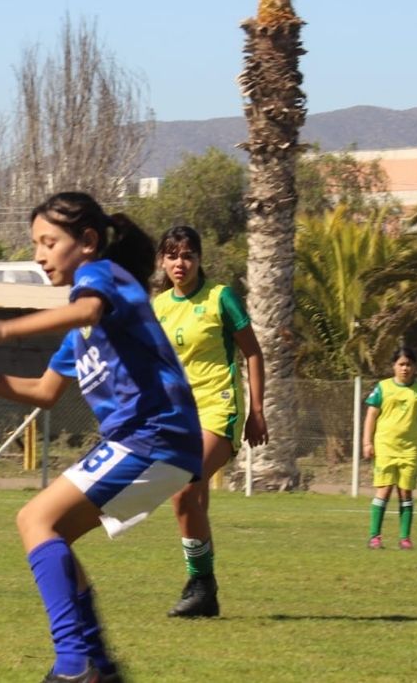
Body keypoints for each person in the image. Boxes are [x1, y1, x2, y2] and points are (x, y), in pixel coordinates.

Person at [0, 192, 201, 683]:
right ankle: (100, 668)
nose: (39, 254)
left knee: (34, 518)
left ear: (88, 242)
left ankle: (75, 664)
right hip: (145, 441)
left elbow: (88, 310)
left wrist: (3, 331)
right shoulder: (81, 332)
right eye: (35, 244)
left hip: (153, 435)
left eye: (49, 242)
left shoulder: (103, 278)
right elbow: (43, 391)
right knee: (52, 537)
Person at [151, 225, 267, 618]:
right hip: (178, 414)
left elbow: (252, 353)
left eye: (187, 255)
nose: (179, 263)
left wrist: (257, 410)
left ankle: (201, 583)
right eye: (172, 255)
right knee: (194, 499)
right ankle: (205, 592)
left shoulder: (221, 298)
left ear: (200, 259)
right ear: (162, 261)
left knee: (182, 488)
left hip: (220, 409)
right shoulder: (159, 306)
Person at [363, 347, 417, 550]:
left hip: (409, 449)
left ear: (414, 367)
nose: (405, 368)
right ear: (394, 366)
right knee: (384, 490)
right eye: (401, 364)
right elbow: (371, 415)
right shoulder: (383, 387)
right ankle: (375, 537)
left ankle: (405, 538)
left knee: (406, 492)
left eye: (409, 364)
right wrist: (367, 442)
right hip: (385, 446)